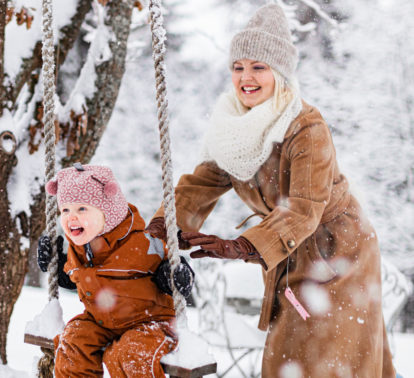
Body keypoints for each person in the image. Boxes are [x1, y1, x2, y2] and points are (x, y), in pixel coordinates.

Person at [146, 4, 396, 377]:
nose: (246, 78)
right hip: (286, 245)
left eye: (258, 67)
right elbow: (200, 185)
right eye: (238, 67)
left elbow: (304, 208)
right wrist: (159, 231)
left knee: (324, 356)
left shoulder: (305, 127)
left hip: (337, 251)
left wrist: (242, 245)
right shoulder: (234, 126)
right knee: (287, 356)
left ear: (279, 73)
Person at [37, 163, 193, 377]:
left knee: (127, 354)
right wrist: (54, 264)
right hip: (101, 322)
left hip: (151, 322)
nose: (71, 217)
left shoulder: (140, 243)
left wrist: (176, 275)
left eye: (82, 208)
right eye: (65, 210)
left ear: (107, 212)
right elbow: (78, 279)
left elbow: (170, 261)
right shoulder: (80, 248)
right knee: (74, 341)